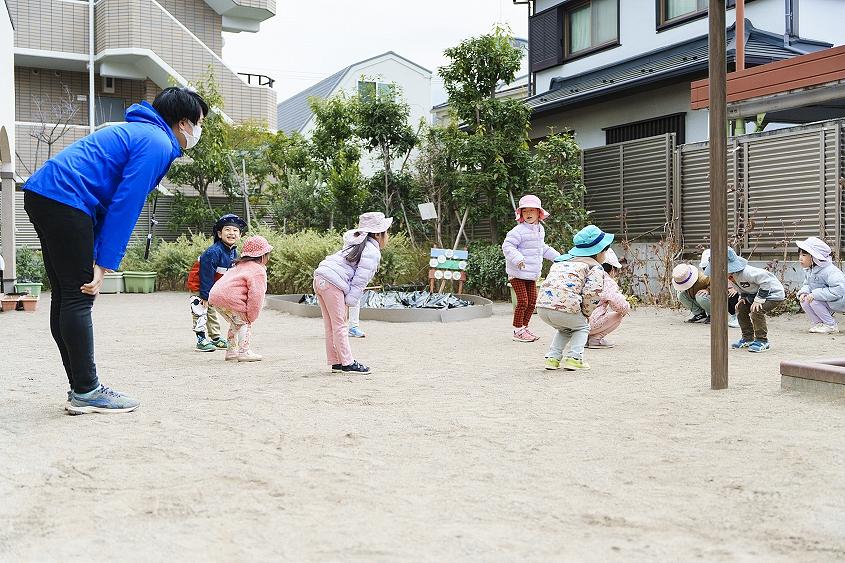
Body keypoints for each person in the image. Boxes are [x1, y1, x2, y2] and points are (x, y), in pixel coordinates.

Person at [23, 86, 207, 414]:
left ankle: (81, 387)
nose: (198, 131)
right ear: (183, 123)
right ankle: (87, 390)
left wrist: (98, 253)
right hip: (65, 199)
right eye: (199, 123)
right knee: (79, 296)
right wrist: (105, 263)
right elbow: (126, 204)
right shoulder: (157, 142)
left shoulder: (140, 132)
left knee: (68, 297)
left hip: (45, 193)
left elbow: (107, 203)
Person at [314, 212, 392, 374]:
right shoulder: (371, 250)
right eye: (386, 232)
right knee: (340, 324)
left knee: (331, 325)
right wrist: (350, 302)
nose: (387, 235)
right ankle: (348, 363)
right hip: (334, 283)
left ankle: (336, 361)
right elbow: (360, 281)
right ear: (378, 234)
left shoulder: (356, 243)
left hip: (321, 277)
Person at [536, 225, 613, 371]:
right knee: (582, 327)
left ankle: (552, 358)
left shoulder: (563, 261)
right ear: (598, 251)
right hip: (564, 309)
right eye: (606, 251)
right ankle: (575, 358)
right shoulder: (594, 267)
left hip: (542, 308)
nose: (606, 255)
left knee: (565, 329)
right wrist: (586, 313)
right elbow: (592, 293)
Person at [502, 195, 560, 343]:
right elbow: (507, 246)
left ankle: (524, 327)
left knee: (532, 302)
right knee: (522, 301)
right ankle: (517, 330)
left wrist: (558, 257)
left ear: (538, 213)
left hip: (531, 274)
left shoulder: (540, 230)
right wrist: (518, 259)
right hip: (517, 273)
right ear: (520, 214)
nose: (528, 213)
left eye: (532, 210)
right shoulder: (518, 231)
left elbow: (542, 248)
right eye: (525, 211)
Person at [705, 247, 785, 353]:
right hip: (755, 295)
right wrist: (743, 298)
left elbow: (766, 281)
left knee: (757, 310)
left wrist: (759, 300)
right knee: (741, 307)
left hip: (773, 294)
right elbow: (743, 288)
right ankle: (748, 338)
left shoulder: (747, 272)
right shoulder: (731, 277)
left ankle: (762, 340)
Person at [208, 235, 272, 362]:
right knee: (244, 322)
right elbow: (256, 295)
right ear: (263, 255)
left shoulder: (240, 265)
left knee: (236, 323)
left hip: (215, 297)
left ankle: (231, 351)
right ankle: (244, 351)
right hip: (230, 299)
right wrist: (251, 315)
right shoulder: (258, 270)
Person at [188, 214, 246, 352]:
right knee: (200, 310)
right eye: (227, 229)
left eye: (235, 230)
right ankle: (201, 339)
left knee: (212, 310)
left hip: (213, 286)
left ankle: (215, 337)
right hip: (200, 284)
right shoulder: (214, 252)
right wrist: (204, 294)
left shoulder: (233, 252)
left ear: (240, 235)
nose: (231, 233)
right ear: (220, 234)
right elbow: (206, 274)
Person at [796, 236, 845, 334]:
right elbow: (807, 284)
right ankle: (819, 323)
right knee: (804, 300)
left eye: (804, 255)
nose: (800, 258)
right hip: (826, 299)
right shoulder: (810, 270)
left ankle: (831, 325)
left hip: (839, 300)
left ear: (815, 257)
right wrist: (804, 292)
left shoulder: (830, 271)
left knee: (814, 300)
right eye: (800, 254)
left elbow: (839, 289)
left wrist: (815, 294)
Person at [587, 248, 630, 349]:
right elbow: (619, 304)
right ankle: (596, 339)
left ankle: (583, 339)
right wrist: (626, 307)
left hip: (574, 322)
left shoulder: (586, 274)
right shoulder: (606, 280)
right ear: (612, 269)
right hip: (590, 323)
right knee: (618, 316)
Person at [699, 249, 740, 328]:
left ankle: (738, 316)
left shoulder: (730, 268)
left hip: (741, 292)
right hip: (730, 291)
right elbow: (716, 283)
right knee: (720, 294)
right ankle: (732, 315)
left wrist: (732, 288)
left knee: (732, 293)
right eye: (704, 268)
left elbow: (732, 279)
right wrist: (708, 290)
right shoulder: (713, 274)